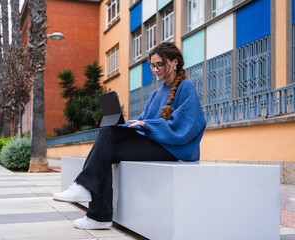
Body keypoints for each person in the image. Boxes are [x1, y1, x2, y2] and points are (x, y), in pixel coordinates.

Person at [53, 42, 207, 230]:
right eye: (153, 65)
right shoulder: (157, 93)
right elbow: (143, 121)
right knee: (108, 133)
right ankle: (94, 209)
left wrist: (146, 125)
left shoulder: (186, 86)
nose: (156, 69)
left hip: (172, 147)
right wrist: (126, 125)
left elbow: (186, 126)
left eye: (160, 64)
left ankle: (95, 208)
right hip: (155, 142)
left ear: (175, 62)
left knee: (106, 148)